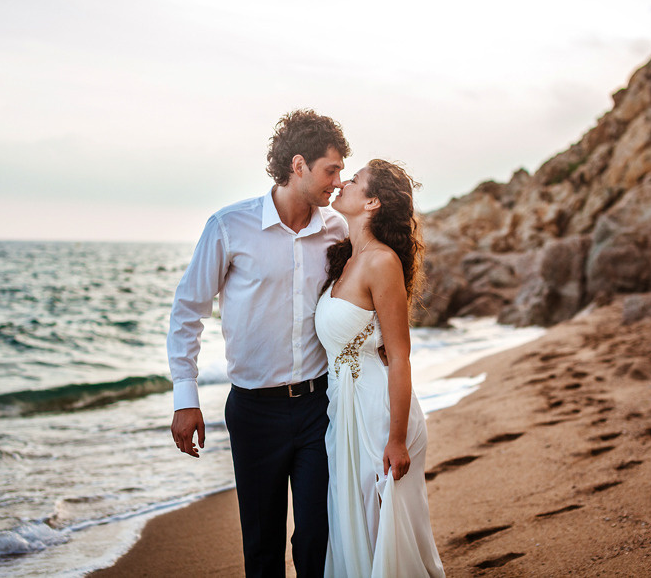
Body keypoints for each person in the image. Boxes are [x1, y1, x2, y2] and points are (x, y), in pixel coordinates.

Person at [167, 109, 351, 577]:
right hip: (253, 412)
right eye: (331, 170)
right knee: (263, 547)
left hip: (318, 406)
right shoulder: (229, 226)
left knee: (318, 536)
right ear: (298, 165)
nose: (337, 181)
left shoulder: (337, 230)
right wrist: (185, 399)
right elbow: (189, 310)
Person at [315, 159, 445, 577]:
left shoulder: (382, 262)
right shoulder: (347, 259)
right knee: (358, 534)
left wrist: (397, 439)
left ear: (371, 202)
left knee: (385, 538)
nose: (342, 183)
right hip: (347, 414)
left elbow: (400, 355)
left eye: (353, 180)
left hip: (380, 419)